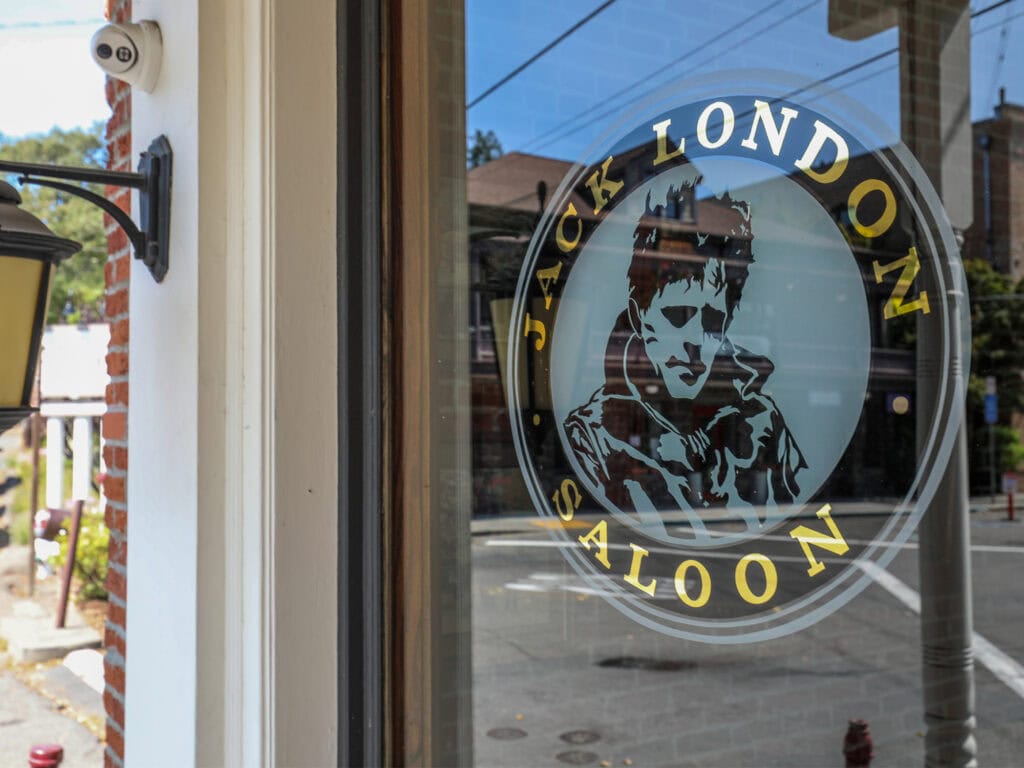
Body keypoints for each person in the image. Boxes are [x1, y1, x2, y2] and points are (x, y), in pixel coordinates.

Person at [562, 178, 805, 538]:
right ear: (639, 317)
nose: (694, 345)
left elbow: (790, 520)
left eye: (712, 322)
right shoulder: (594, 436)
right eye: (677, 316)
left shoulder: (762, 423)